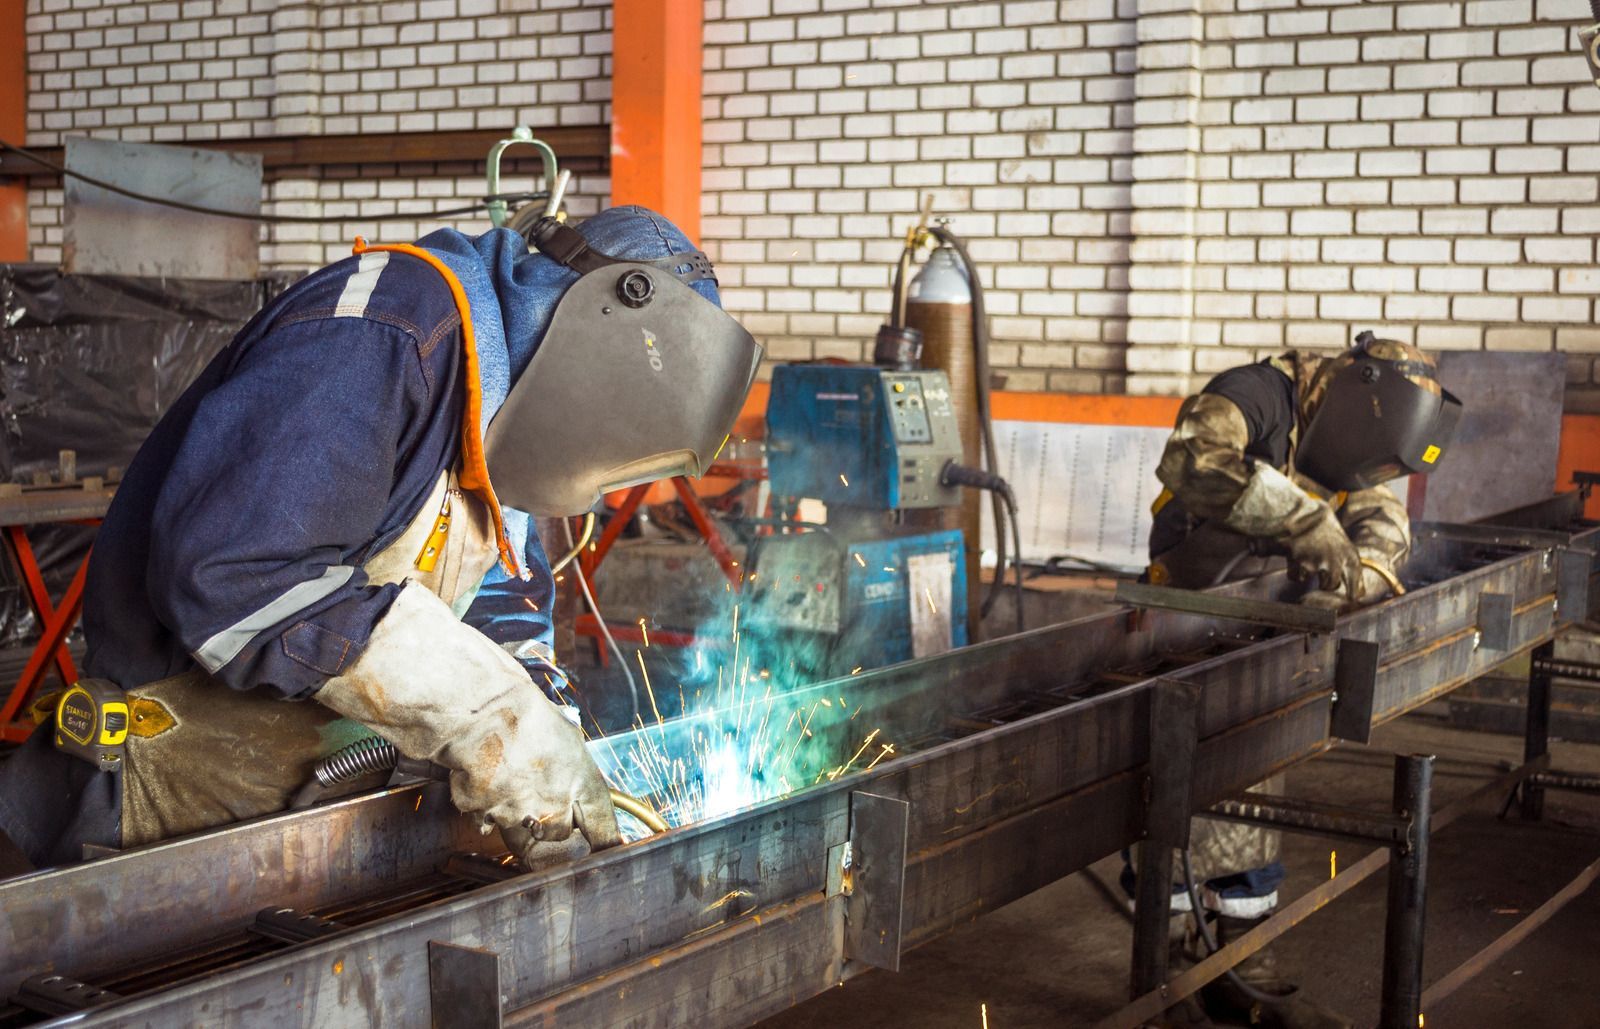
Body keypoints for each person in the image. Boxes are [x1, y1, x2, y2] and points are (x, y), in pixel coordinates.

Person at [0, 205, 760, 871]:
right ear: (599, 327)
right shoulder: (387, 329)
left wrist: (542, 723)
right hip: (169, 809)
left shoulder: (502, 423)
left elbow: (506, 607)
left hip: (317, 817)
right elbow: (231, 575)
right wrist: (482, 711)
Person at [1138, 333, 1461, 1029]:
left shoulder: (1354, 438)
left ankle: (1242, 957)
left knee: (1259, 765)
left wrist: (1360, 573)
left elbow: (1380, 515)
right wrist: (1304, 517)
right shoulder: (1255, 394)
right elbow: (1188, 459)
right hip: (1183, 617)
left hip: (1266, 623)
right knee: (1178, 790)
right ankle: (1160, 967)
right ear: (1353, 390)